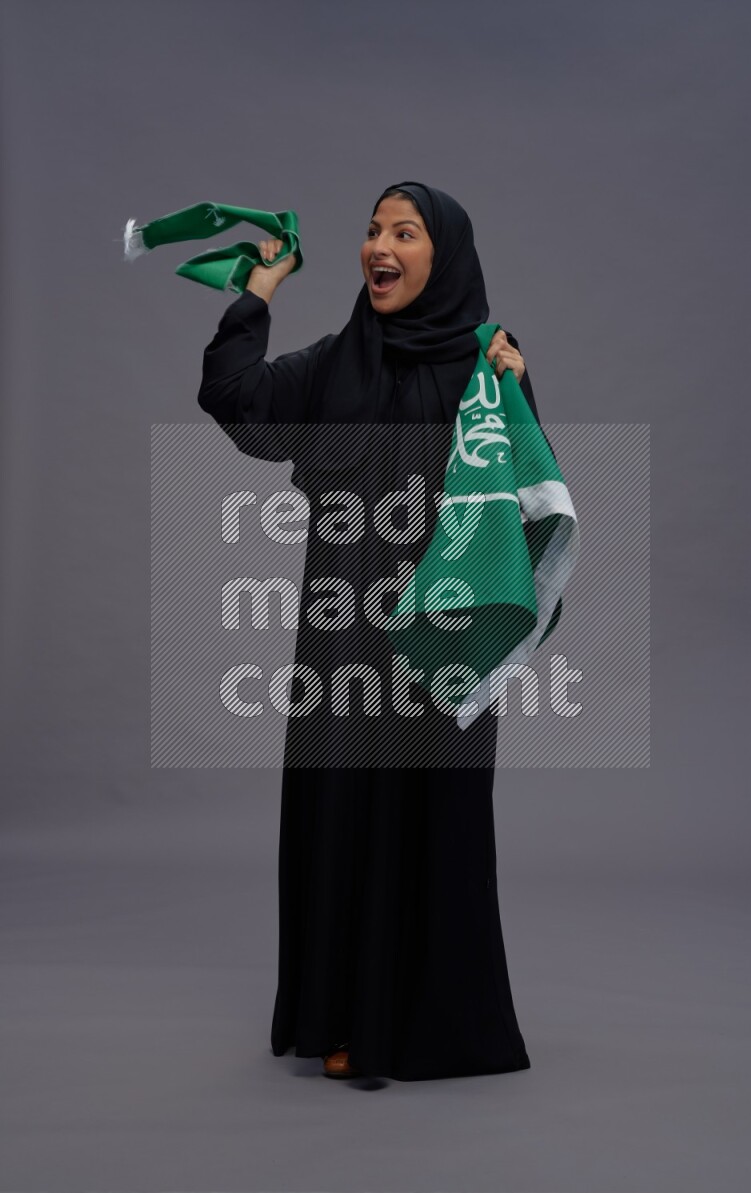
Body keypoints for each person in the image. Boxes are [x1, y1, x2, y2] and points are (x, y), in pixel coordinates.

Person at [197, 181, 540, 1081]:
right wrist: (262, 287)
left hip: (442, 637)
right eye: (373, 230)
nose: (378, 245)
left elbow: (525, 498)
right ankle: (347, 1015)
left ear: (446, 255)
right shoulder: (334, 364)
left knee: (435, 815)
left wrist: (513, 388)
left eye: (405, 231)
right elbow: (231, 396)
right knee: (347, 808)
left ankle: (424, 1025)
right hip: (344, 638)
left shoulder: (489, 365)